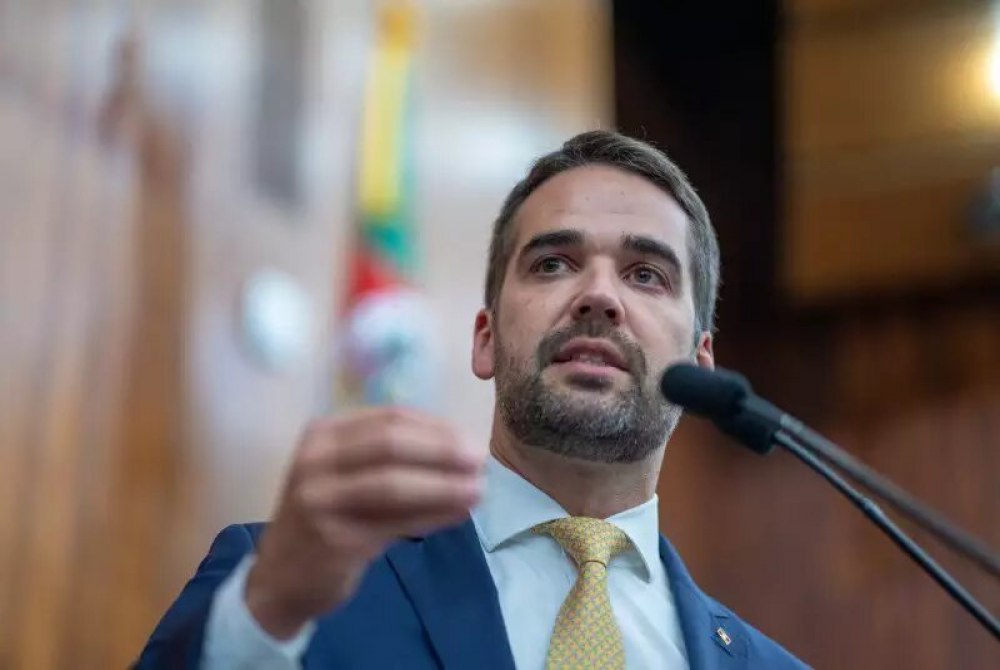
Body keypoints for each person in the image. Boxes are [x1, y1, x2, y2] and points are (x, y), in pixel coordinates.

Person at [137, 130, 807, 669]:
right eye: (553, 264)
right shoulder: (279, 586)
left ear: (701, 363)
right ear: (486, 339)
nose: (599, 296)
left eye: (646, 274)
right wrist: (266, 615)